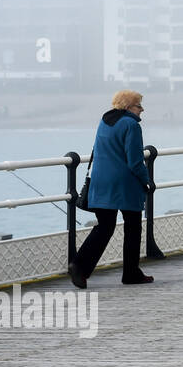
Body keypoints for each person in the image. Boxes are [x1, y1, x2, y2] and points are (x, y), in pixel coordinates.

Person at [68, 90, 155, 287]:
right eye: (139, 105)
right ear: (128, 107)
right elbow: (135, 160)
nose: (142, 109)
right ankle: (131, 273)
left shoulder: (104, 121)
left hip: (101, 182)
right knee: (133, 227)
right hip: (125, 184)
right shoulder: (131, 125)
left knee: (104, 227)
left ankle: (79, 265)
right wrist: (147, 180)